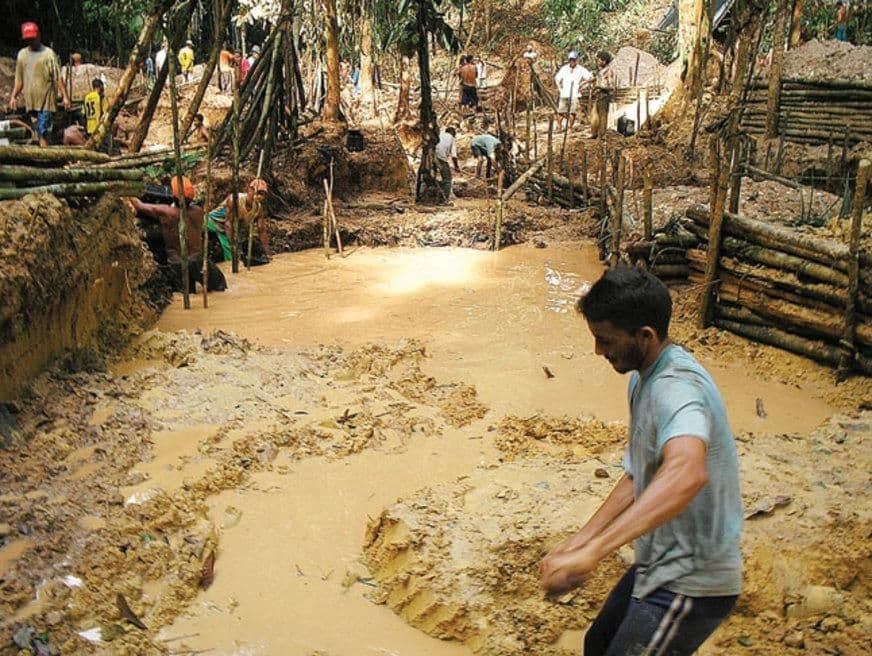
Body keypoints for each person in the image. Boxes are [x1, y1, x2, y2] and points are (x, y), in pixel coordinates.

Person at [539, 266, 742, 656]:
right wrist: (581, 541)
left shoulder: (675, 388)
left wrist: (595, 554)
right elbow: (640, 476)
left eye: (605, 340)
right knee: (597, 644)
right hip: (657, 560)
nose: (599, 351)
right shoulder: (642, 377)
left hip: (692, 578)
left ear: (645, 336)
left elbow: (687, 472)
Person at [128, 176, 226, 292]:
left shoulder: (166, 212)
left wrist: (127, 193)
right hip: (198, 261)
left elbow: (139, 205)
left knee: (187, 294)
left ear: (173, 196)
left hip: (176, 263)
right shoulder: (198, 212)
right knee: (221, 287)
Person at [9, 22, 70, 147]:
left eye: (33, 39)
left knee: (43, 130)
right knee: (38, 129)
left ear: (39, 36)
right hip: (31, 102)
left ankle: (45, 156)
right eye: (29, 40)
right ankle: (44, 153)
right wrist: (13, 96)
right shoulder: (22, 55)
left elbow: (58, 77)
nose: (31, 42)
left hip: (46, 101)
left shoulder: (48, 54)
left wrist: (65, 96)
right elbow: (19, 80)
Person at [206, 179, 271, 265]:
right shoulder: (235, 199)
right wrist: (232, 245)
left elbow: (262, 230)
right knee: (232, 257)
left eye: (262, 195)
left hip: (234, 229)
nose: (259, 197)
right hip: (214, 223)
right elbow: (228, 223)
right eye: (258, 193)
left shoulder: (258, 209)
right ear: (250, 189)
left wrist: (267, 253)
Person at [554, 51, 593, 130]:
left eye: (574, 60)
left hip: (575, 93)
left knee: (572, 112)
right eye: (571, 60)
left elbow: (591, 78)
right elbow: (557, 78)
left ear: (577, 60)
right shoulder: (564, 68)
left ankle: (570, 127)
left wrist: (583, 84)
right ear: (569, 60)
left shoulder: (581, 69)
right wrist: (559, 88)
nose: (572, 61)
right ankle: (559, 126)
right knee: (561, 111)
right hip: (564, 93)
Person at [435, 126, 460, 200]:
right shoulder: (451, 138)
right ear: (453, 133)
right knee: (447, 179)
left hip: (430, 155)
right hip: (441, 157)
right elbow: (454, 155)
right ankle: (445, 199)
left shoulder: (439, 134)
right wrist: (456, 167)